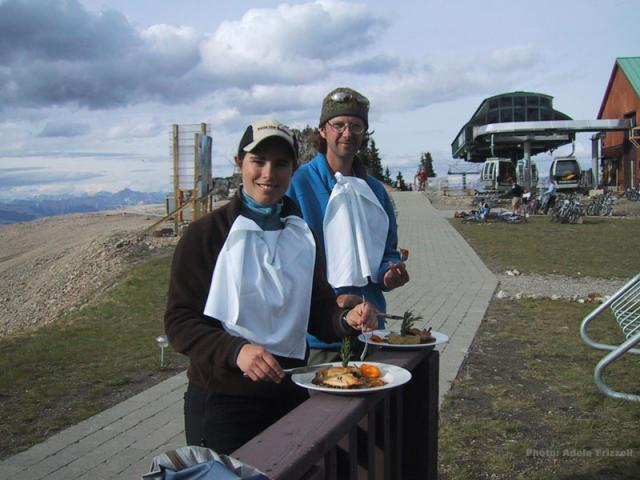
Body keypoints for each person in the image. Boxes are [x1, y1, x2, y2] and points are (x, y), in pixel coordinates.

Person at [164, 119, 377, 454]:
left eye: (280, 164)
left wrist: (345, 319)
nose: (268, 173)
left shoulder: (301, 233)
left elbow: (317, 310)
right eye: (258, 161)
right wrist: (236, 351)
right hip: (224, 401)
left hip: (290, 394)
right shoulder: (206, 235)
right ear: (240, 163)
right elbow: (180, 322)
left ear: (293, 168)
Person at [287, 87, 409, 363]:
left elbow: (387, 251)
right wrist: (330, 300)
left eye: (356, 126)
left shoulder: (375, 191)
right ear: (322, 130)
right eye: (338, 125)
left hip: (370, 328)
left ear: (364, 133)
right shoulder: (299, 184)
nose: (347, 133)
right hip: (319, 335)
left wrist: (388, 274)